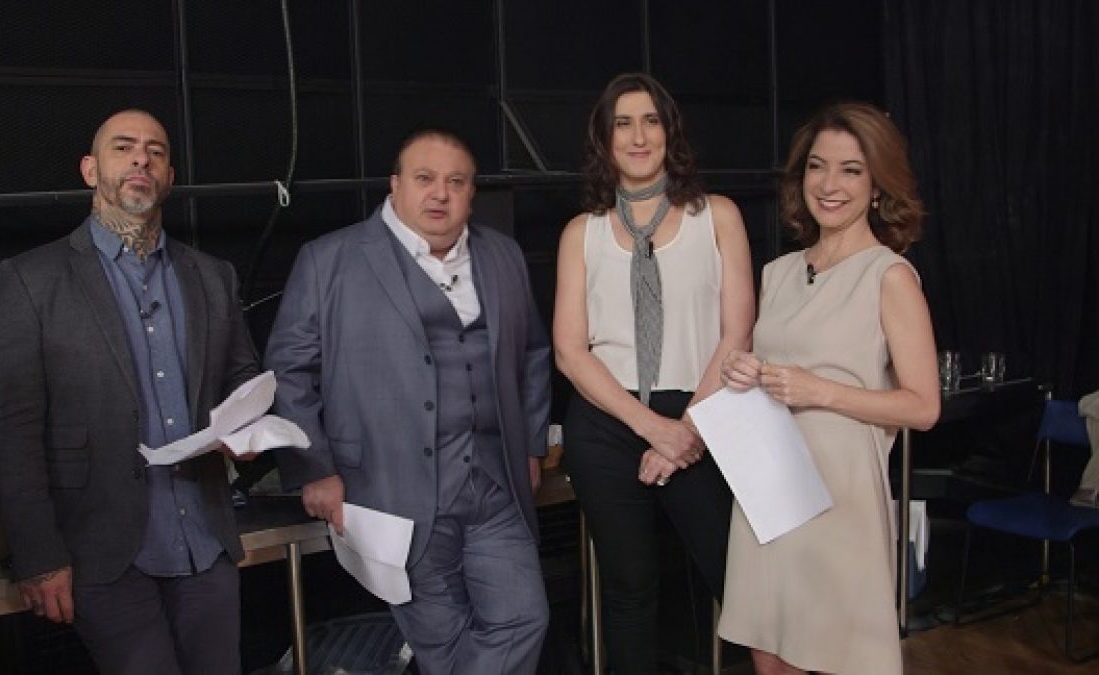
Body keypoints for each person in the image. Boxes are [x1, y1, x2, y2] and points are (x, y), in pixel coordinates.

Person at [0, 109, 260, 675]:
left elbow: (243, 377)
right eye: (124, 147)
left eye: (156, 151)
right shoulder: (32, 279)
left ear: (169, 177)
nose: (141, 159)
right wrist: (38, 556)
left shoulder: (212, 276)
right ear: (91, 170)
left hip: (204, 543)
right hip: (101, 553)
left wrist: (248, 429)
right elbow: (12, 430)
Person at [265, 129, 552, 674]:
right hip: (388, 487)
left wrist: (531, 446)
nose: (440, 193)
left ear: (472, 193)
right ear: (395, 185)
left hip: (495, 486)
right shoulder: (329, 259)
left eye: (456, 182)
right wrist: (315, 469)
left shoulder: (503, 254)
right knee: (443, 646)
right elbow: (289, 373)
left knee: (524, 619)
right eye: (425, 179)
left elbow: (534, 354)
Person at [718, 102, 940, 675]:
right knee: (769, 653)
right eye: (817, 166)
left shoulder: (889, 276)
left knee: (839, 655)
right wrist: (746, 373)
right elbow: (778, 375)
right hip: (770, 490)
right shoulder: (779, 273)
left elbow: (923, 407)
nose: (829, 184)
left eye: (850, 170)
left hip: (842, 500)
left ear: (877, 186)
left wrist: (820, 390)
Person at [553, 72, 755, 673]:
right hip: (608, 421)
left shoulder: (717, 216)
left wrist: (686, 430)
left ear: (670, 132)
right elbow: (570, 351)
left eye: (651, 121)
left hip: (704, 413)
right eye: (623, 123)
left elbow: (737, 333)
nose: (638, 137)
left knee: (739, 580)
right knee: (629, 589)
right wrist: (653, 429)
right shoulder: (580, 234)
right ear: (604, 138)